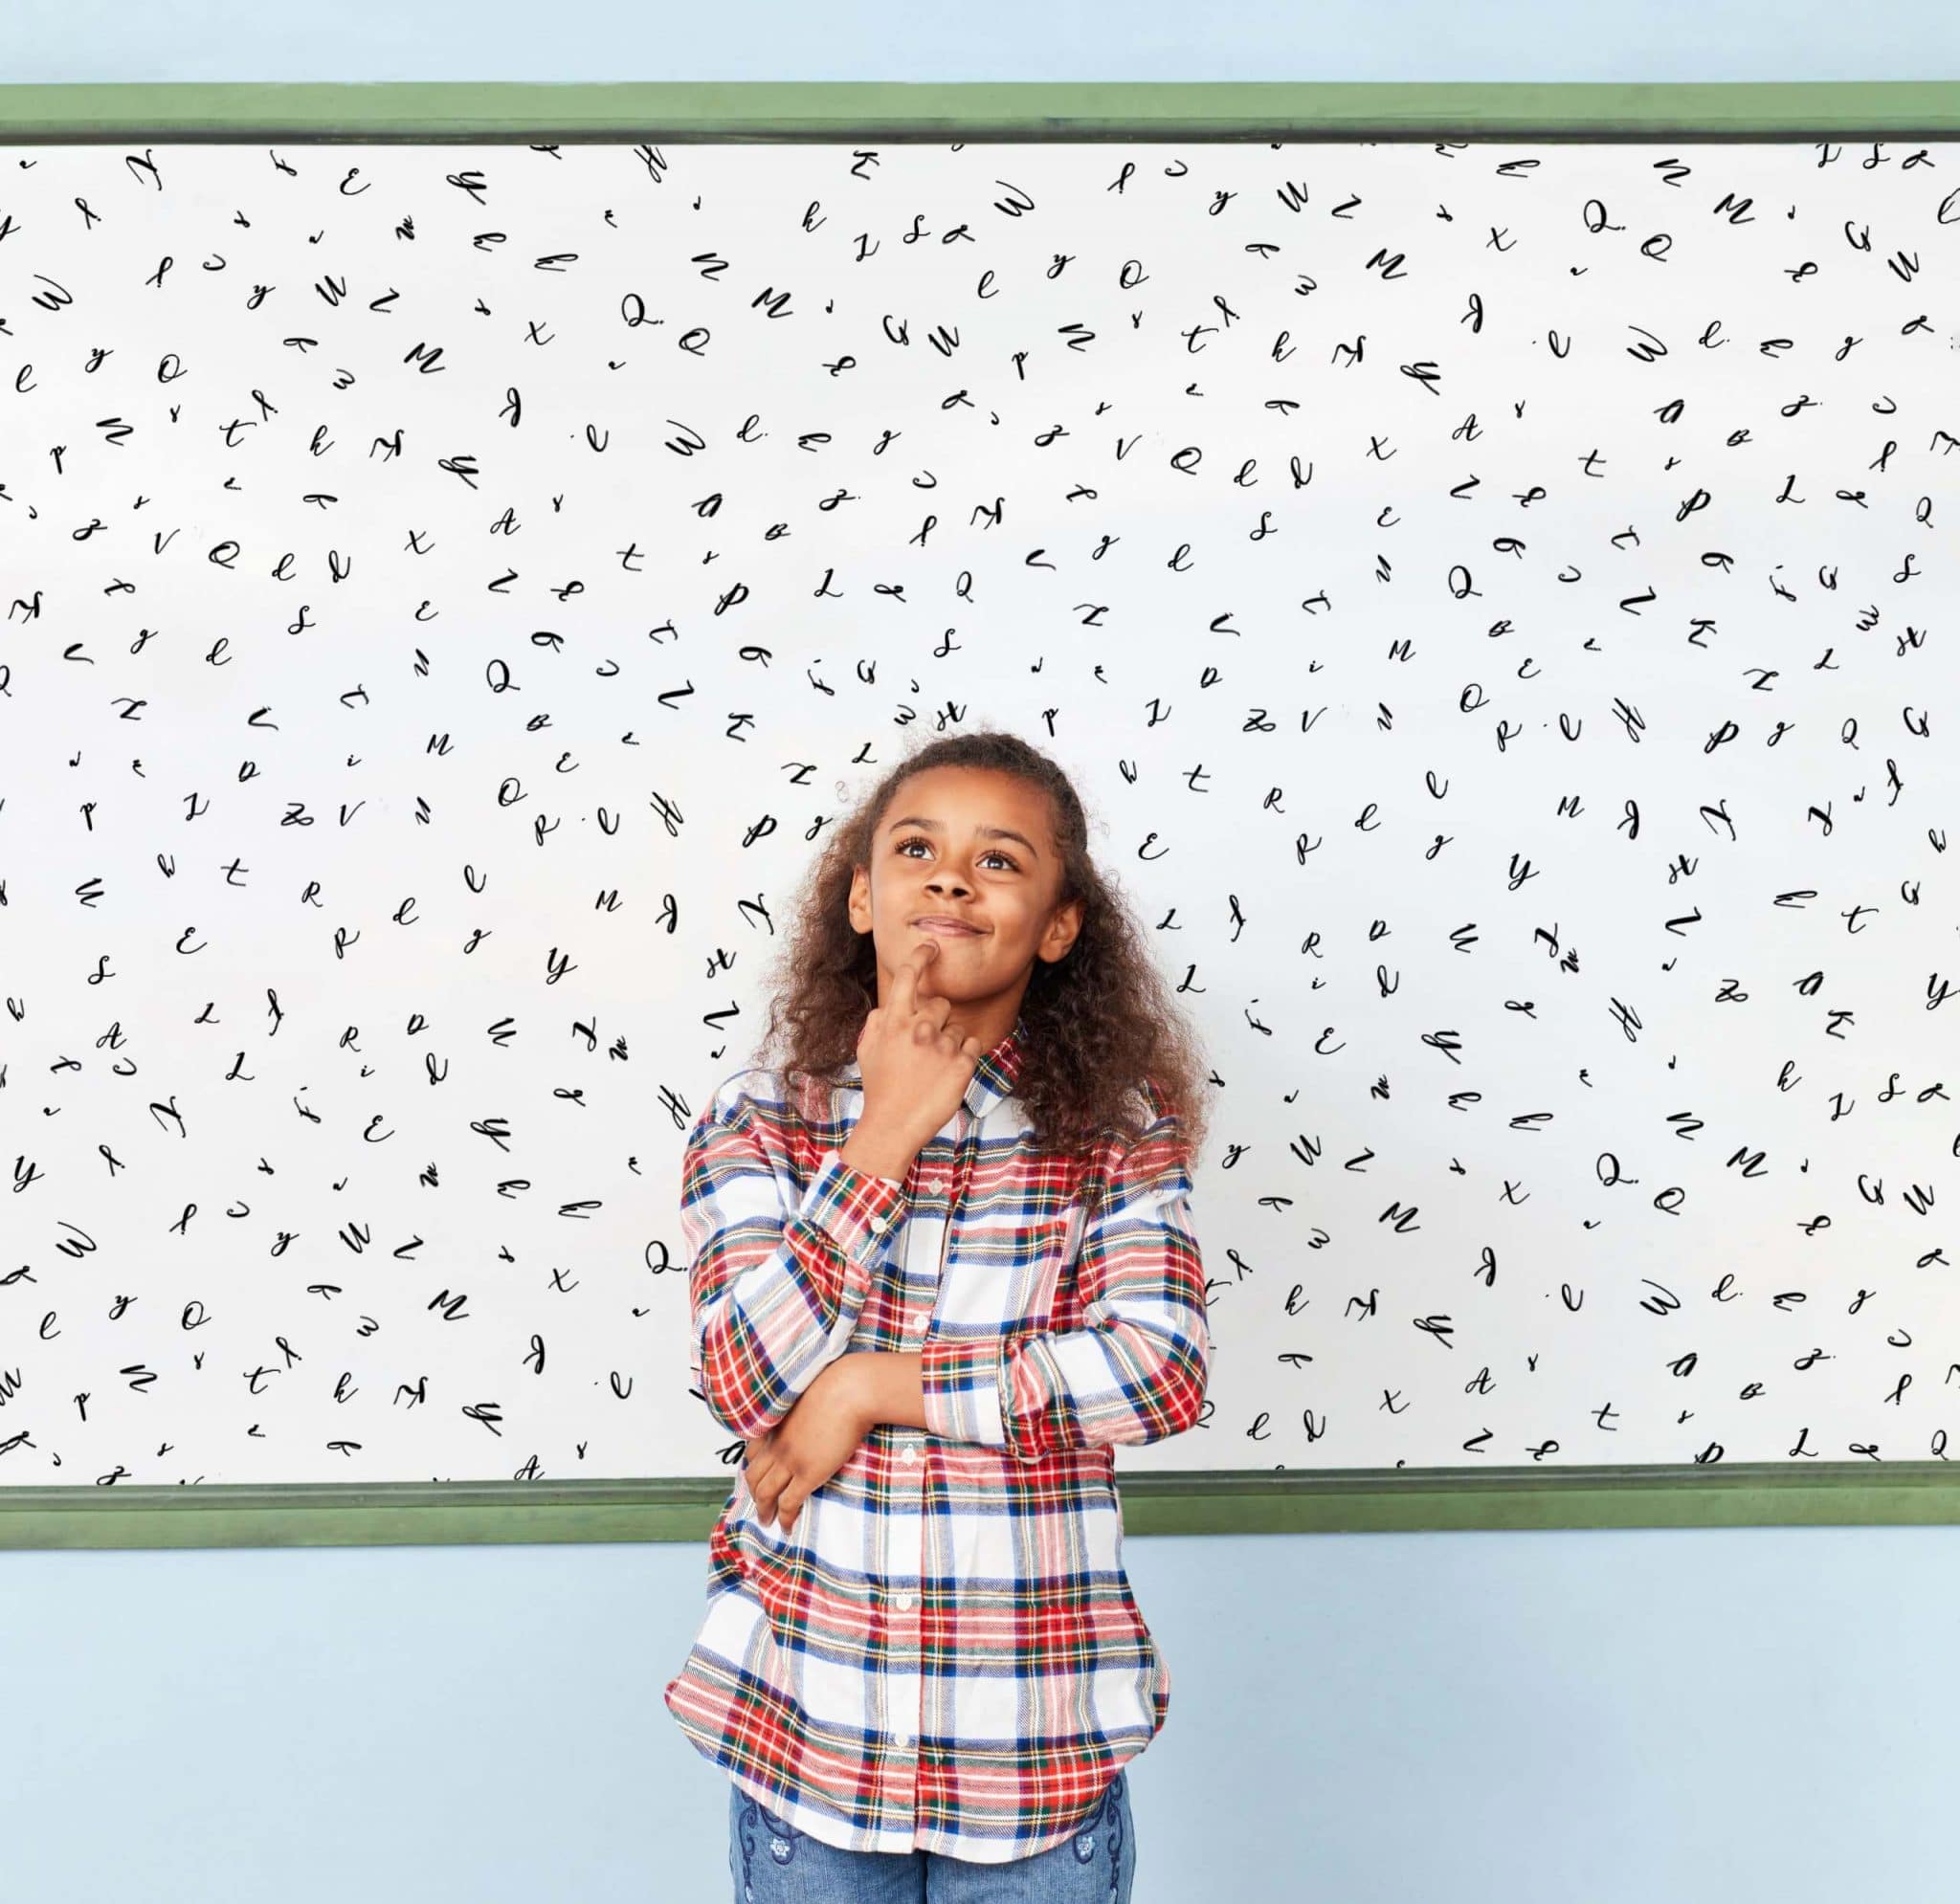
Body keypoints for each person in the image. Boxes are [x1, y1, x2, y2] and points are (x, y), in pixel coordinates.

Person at [664, 731, 1213, 1900]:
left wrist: (869, 1388)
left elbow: (1156, 1369)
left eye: (999, 860)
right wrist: (883, 1138)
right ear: (862, 895)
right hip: (807, 1742)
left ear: (1058, 925)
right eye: (916, 848)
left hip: (1034, 1758)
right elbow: (741, 1382)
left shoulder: (1112, 1129)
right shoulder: (760, 1119)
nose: (951, 878)